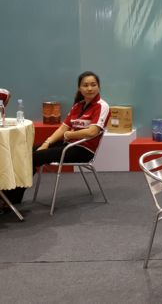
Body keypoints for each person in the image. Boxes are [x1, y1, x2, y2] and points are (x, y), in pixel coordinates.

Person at [2, 71, 110, 205]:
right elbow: (63, 128)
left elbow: (93, 132)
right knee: (25, 153)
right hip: (68, 145)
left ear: (98, 86)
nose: (89, 88)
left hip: (83, 150)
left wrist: (70, 135)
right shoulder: (78, 106)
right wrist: (47, 143)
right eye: (85, 85)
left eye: (93, 85)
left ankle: (10, 199)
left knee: (34, 157)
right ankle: (10, 196)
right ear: (79, 88)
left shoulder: (102, 106)